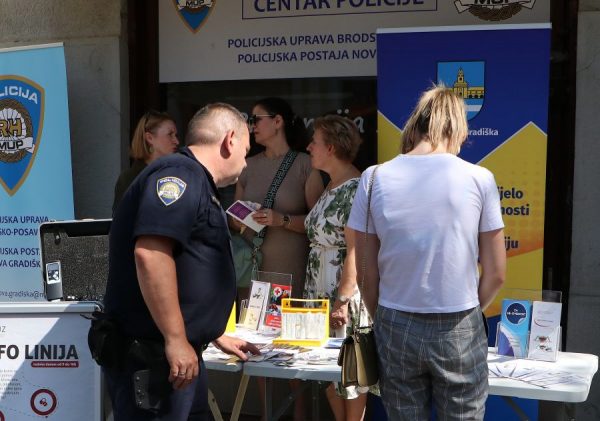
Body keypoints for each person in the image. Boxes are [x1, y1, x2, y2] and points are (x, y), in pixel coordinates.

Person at [347, 85, 506, 420]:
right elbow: (496, 274)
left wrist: (383, 317)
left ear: (416, 125)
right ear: (457, 128)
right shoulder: (480, 178)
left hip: (394, 319)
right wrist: (469, 315)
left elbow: (365, 272)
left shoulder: (374, 178)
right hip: (460, 320)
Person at [102, 103, 259, 421]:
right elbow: (151, 254)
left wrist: (211, 332)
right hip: (155, 354)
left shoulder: (196, 179)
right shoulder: (179, 174)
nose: (245, 163)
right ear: (229, 140)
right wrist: (175, 339)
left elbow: (187, 265)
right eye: (245, 151)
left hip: (177, 352)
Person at [231, 97, 323, 420]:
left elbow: (318, 223)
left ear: (278, 121)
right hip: (254, 272)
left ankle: (300, 414)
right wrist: (244, 218)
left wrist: (280, 219)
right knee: (255, 345)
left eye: (256, 119)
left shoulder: (304, 164)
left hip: (291, 269)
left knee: (293, 345)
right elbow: (232, 220)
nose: (251, 126)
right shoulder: (247, 166)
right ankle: (268, 413)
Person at [304, 115, 372, 421]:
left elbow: (357, 249)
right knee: (330, 373)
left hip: (341, 293)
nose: (309, 147)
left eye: (314, 142)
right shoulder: (331, 184)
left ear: (330, 148)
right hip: (320, 289)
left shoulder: (354, 188)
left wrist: (342, 300)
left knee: (350, 375)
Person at [113, 110, 179, 211]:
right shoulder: (130, 179)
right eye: (170, 134)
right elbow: (122, 217)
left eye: (176, 135)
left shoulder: (177, 174)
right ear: (149, 138)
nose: (176, 141)